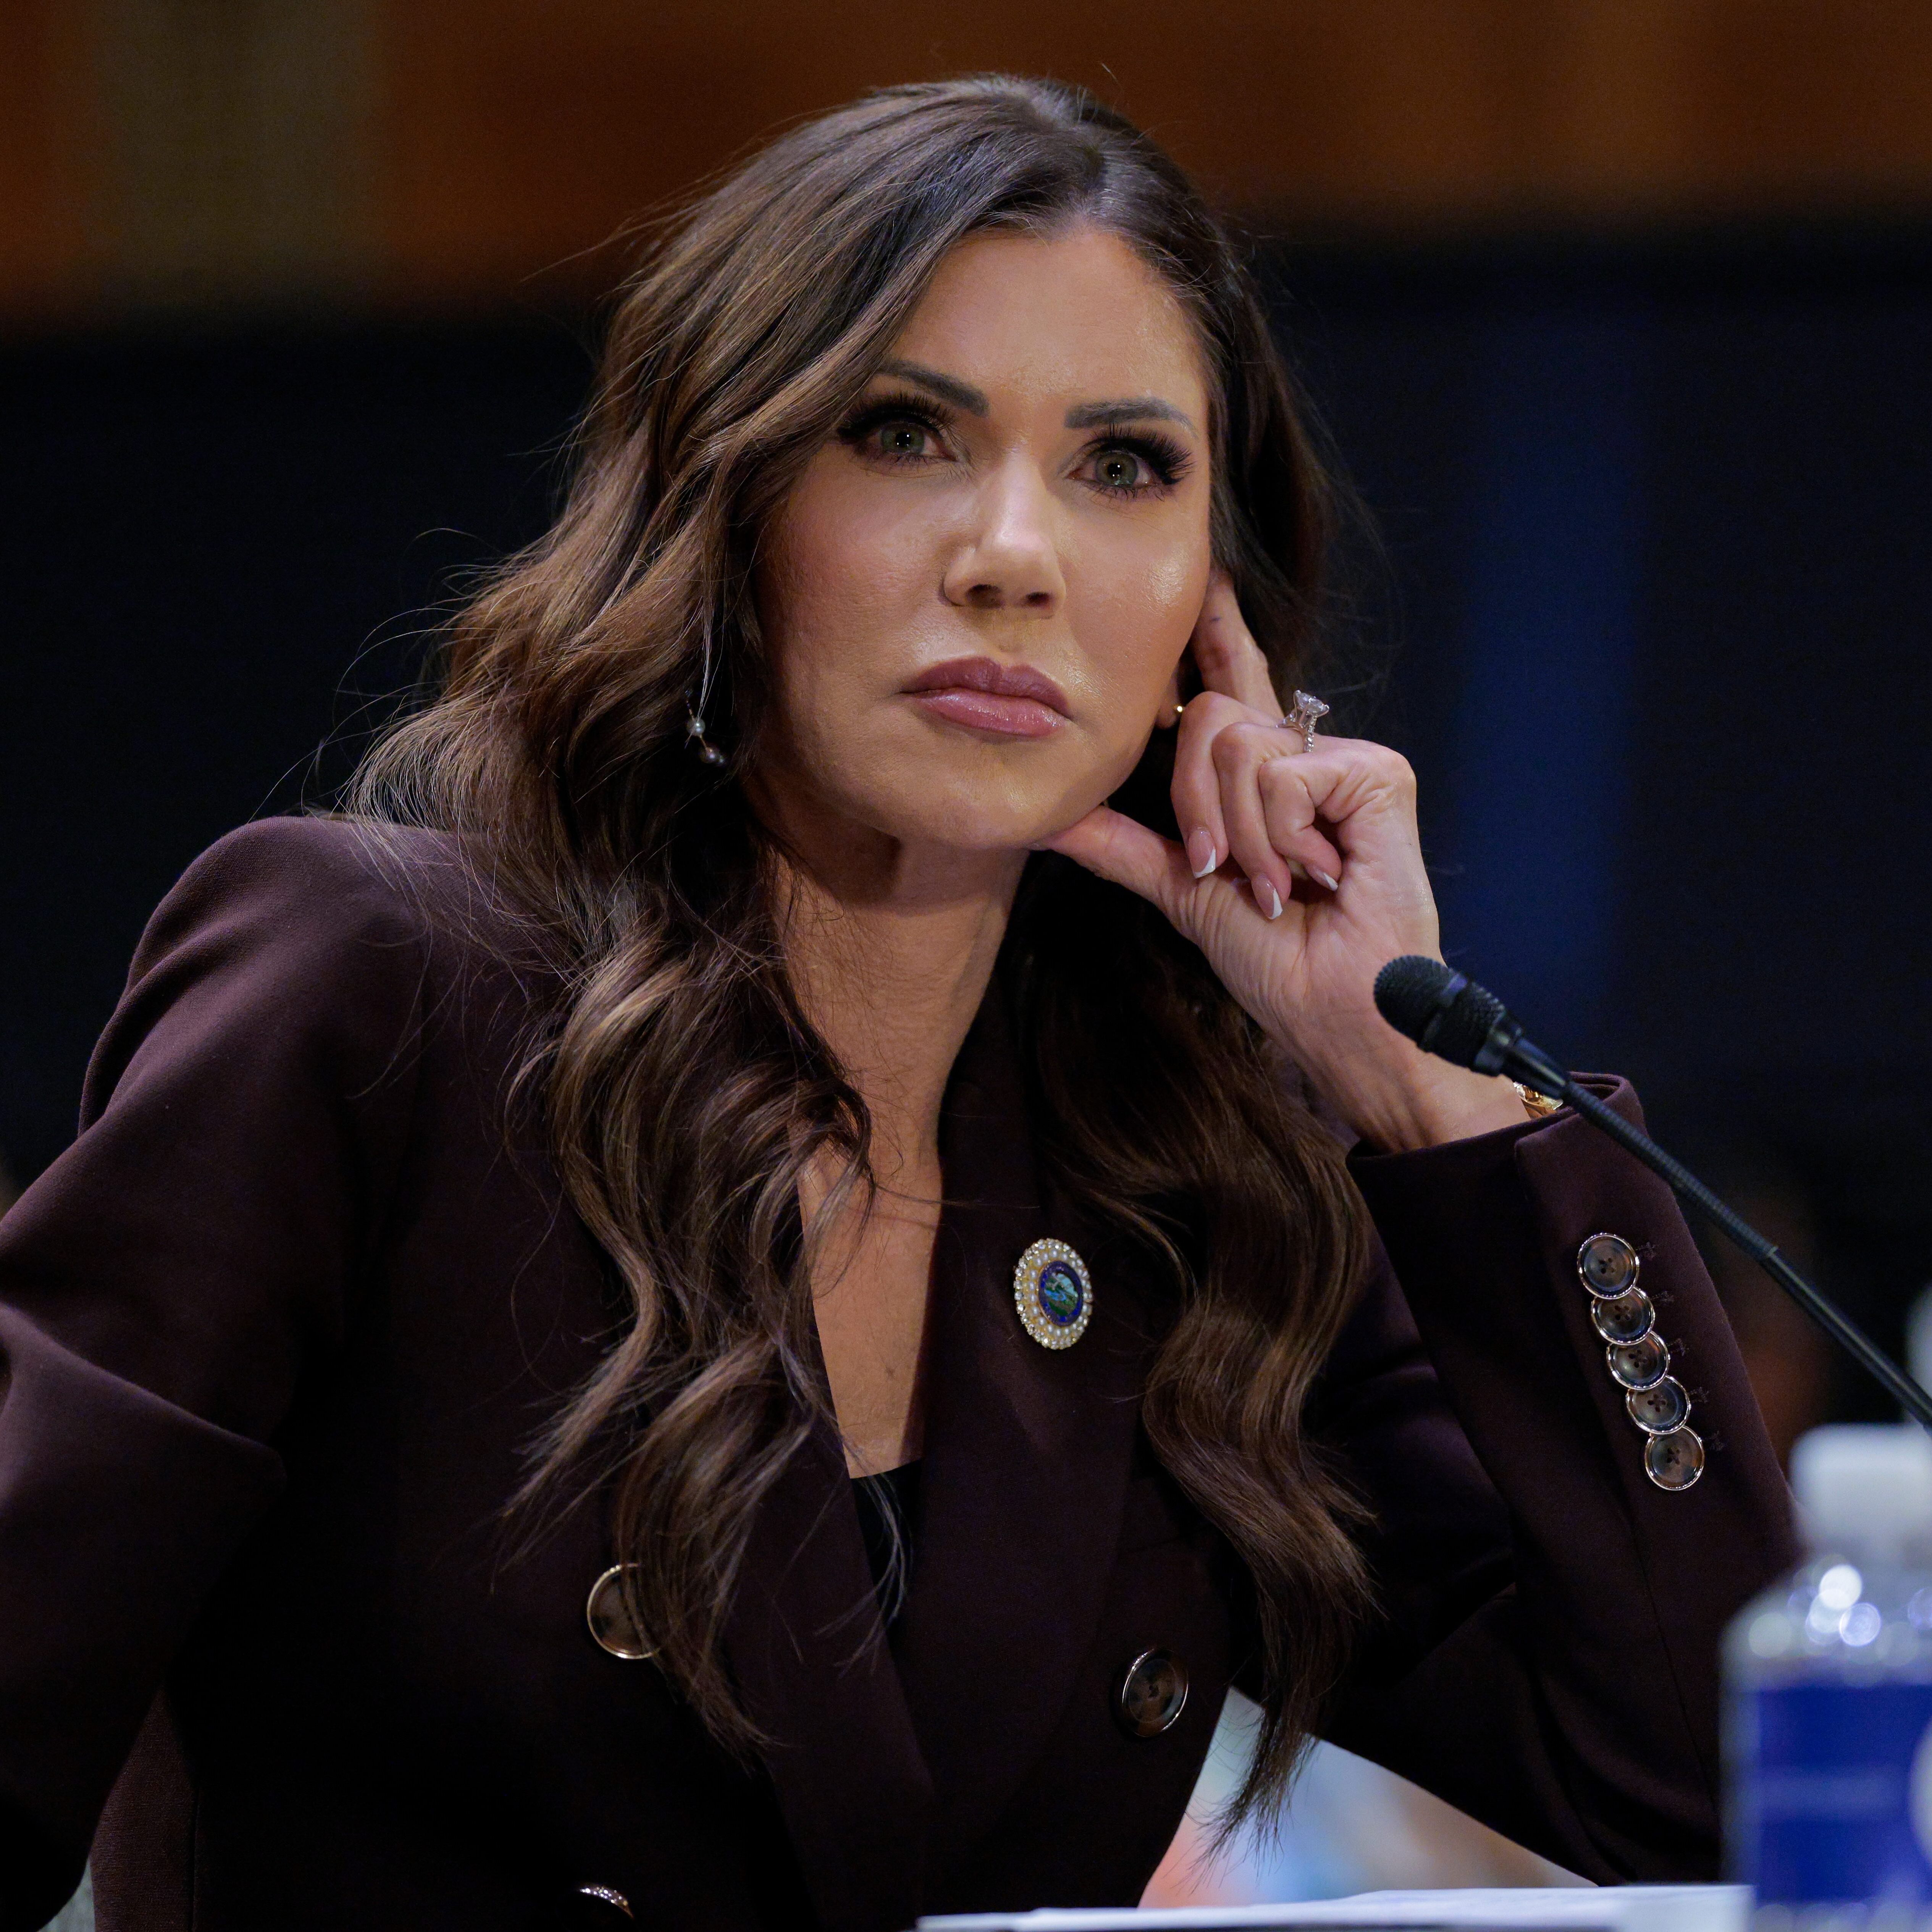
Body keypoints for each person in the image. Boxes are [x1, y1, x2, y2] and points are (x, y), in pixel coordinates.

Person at [0, 76, 1795, 1932]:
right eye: (902, 431)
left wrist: (1426, 1095)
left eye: (1121, 465)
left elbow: (1719, 1791)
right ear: (722, 502)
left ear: (1208, 609)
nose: (1012, 552)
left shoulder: (1183, 1190)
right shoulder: (373, 991)